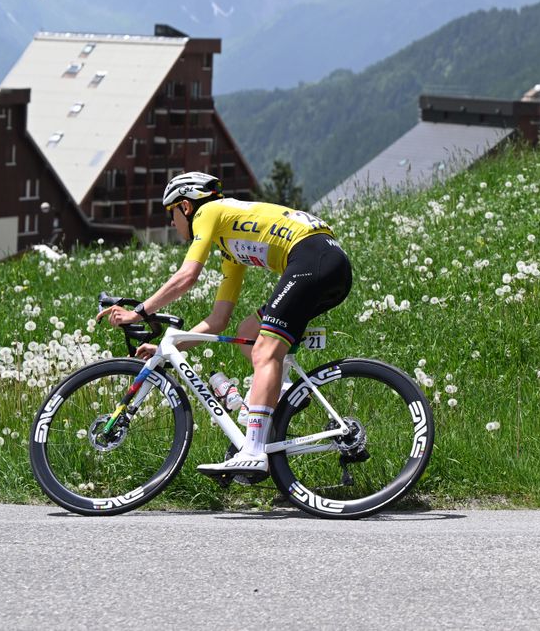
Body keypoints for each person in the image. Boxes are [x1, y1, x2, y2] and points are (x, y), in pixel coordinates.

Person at [98, 171, 353, 481]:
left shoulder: (209, 211)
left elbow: (187, 276)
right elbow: (218, 320)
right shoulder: (231, 247)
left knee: (265, 353)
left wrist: (138, 312)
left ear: (186, 207)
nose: (171, 223)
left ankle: (254, 452)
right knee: (249, 332)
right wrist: (169, 347)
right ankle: (283, 394)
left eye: (171, 213)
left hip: (312, 259)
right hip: (327, 264)